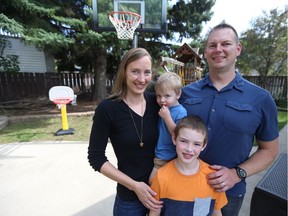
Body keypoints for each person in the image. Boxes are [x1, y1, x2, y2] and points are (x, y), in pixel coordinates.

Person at [179, 23, 279, 216]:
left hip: (228, 193)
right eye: (212, 45)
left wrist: (237, 174)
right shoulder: (185, 94)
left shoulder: (261, 98)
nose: (218, 50)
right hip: (182, 186)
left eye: (225, 44)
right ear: (206, 52)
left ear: (238, 49)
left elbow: (269, 150)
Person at [88, 48, 163, 216]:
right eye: (135, 72)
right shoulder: (108, 109)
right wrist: (135, 186)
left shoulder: (157, 102)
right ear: (124, 72)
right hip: (130, 199)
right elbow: (95, 157)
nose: (142, 79)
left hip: (161, 193)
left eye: (147, 72)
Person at [149, 116, 228, 216]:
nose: (189, 149)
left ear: (203, 145)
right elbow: (154, 212)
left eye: (197, 144)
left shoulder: (213, 178)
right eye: (183, 141)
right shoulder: (161, 177)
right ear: (174, 138)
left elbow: (216, 212)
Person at [149, 72, 187, 182]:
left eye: (167, 96)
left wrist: (167, 118)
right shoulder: (164, 108)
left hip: (169, 155)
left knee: (153, 181)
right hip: (160, 153)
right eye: (159, 96)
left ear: (178, 95)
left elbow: (179, 134)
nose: (162, 100)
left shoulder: (180, 112)